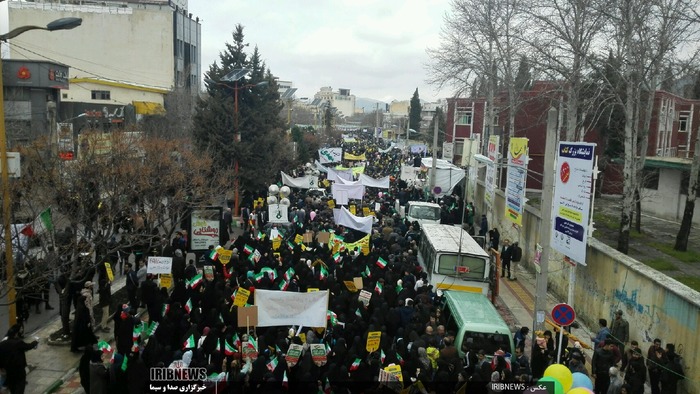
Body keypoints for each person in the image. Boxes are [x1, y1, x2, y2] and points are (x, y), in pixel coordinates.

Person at [0, 324, 38, 394]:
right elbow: (28, 346)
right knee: (19, 387)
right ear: (16, 334)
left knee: (12, 388)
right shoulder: (18, 343)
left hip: (9, 370)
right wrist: (35, 342)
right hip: (19, 370)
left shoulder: (2, 344)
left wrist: (2, 366)